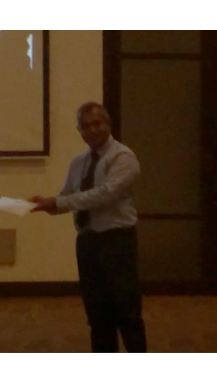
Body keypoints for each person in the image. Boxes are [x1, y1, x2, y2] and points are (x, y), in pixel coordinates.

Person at [31, 102, 147, 352]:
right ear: (79, 131)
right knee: (97, 316)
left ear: (108, 124)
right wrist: (45, 204)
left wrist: (59, 203)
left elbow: (103, 195)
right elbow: (67, 196)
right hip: (87, 243)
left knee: (127, 313)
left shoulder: (123, 157)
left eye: (97, 124)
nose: (92, 130)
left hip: (118, 241)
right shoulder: (78, 162)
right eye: (85, 126)